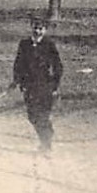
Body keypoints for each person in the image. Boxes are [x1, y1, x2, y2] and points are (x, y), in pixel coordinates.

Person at [11, 18, 64, 152]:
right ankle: (46, 136)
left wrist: (54, 85)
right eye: (35, 28)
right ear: (31, 27)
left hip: (45, 85)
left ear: (45, 30)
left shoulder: (49, 44)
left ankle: (46, 143)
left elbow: (58, 66)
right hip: (29, 86)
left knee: (43, 115)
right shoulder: (24, 44)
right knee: (32, 116)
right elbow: (18, 63)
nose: (37, 31)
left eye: (41, 29)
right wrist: (17, 80)